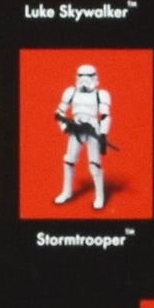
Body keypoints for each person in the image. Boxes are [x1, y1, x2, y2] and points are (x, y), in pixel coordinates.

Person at [54, 62, 113, 209]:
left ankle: (99, 196)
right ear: (77, 76)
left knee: (95, 164)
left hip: (93, 130)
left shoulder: (101, 94)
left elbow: (105, 116)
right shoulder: (71, 92)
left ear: (95, 77)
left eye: (89, 76)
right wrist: (66, 127)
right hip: (76, 130)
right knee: (69, 161)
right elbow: (59, 113)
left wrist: (103, 134)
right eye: (82, 75)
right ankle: (67, 192)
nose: (85, 79)